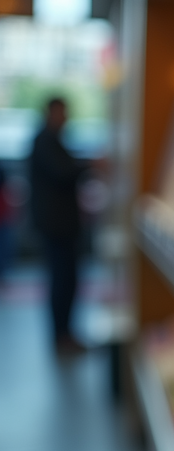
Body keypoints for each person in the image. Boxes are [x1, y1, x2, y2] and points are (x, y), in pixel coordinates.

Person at [29, 97, 87, 354]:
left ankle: (64, 333)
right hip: (56, 224)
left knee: (65, 279)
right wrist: (90, 165)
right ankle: (61, 335)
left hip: (59, 223)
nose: (65, 118)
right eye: (61, 113)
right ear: (50, 113)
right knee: (62, 280)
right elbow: (62, 173)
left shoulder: (50, 139)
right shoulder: (45, 140)